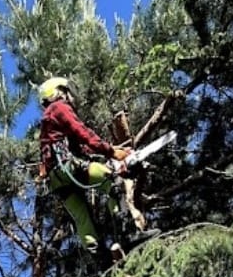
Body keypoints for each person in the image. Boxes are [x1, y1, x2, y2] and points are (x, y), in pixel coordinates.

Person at [37, 77, 157, 259]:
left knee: (82, 217)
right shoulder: (59, 107)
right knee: (112, 181)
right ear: (59, 91)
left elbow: (82, 147)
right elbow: (83, 133)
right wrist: (112, 153)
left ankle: (100, 259)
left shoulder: (48, 123)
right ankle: (129, 234)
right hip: (70, 168)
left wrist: (115, 150)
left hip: (57, 182)